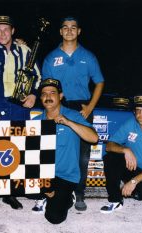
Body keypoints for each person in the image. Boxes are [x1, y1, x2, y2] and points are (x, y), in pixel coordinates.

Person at [0, 15, 42, 209]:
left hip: (19, 107)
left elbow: (38, 76)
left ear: (13, 31)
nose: (3, 33)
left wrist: (34, 95)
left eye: (6, 30)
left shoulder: (26, 51)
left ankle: (11, 193)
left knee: (17, 148)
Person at [42, 16, 105, 211]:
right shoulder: (51, 57)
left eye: (73, 28)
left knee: (83, 155)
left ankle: (79, 193)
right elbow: (46, 88)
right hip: (58, 105)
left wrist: (90, 107)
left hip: (81, 108)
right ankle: (49, 189)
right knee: (50, 149)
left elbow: (100, 82)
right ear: (60, 32)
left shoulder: (88, 56)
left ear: (78, 31)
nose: (69, 30)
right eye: (65, 28)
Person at [31, 78, 98, 224]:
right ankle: (46, 194)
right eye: (44, 94)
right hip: (43, 174)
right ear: (41, 98)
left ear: (60, 96)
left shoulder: (73, 115)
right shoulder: (34, 122)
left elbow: (94, 138)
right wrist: (43, 184)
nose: (48, 97)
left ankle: (69, 197)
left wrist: (68, 122)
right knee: (16, 187)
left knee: (54, 218)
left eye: (52, 93)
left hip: (65, 175)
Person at [100, 94, 142, 213]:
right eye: (137, 110)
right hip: (133, 169)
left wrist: (134, 181)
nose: (140, 114)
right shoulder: (131, 123)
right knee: (111, 157)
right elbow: (109, 145)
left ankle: (138, 192)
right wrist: (125, 150)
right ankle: (115, 200)